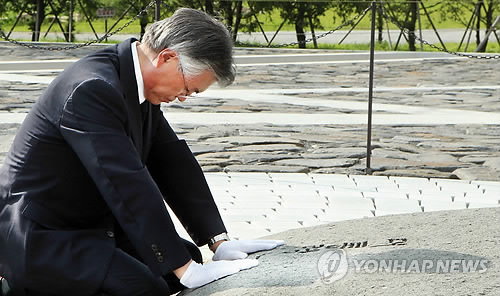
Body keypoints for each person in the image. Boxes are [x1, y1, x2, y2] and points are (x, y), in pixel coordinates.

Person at [0, 8, 283, 296]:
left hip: (91, 224)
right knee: (146, 287)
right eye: (188, 88)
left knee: (181, 262)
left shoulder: (135, 81)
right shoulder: (93, 88)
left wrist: (218, 242)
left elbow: (171, 161)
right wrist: (185, 269)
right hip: (43, 235)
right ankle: (15, 288)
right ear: (168, 58)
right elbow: (126, 181)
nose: (184, 98)